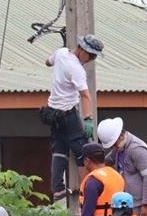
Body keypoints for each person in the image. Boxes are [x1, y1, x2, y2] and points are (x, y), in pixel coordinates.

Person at [41, 34, 104, 202]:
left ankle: (58, 189)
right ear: (82, 50)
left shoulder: (61, 53)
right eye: (90, 55)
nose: (91, 59)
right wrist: (88, 119)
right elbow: (85, 95)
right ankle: (87, 191)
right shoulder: (77, 69)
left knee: (59, 150)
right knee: (84, 152)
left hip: (53, 113)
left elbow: (47, 61)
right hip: (68, 114)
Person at [96, 117, 147, 216]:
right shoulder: (119, 147)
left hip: (146, 200)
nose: (113, 147)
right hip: (135, 200)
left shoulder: (137, 149)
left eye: (114, 143)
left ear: (120, 135)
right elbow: (108, 160)